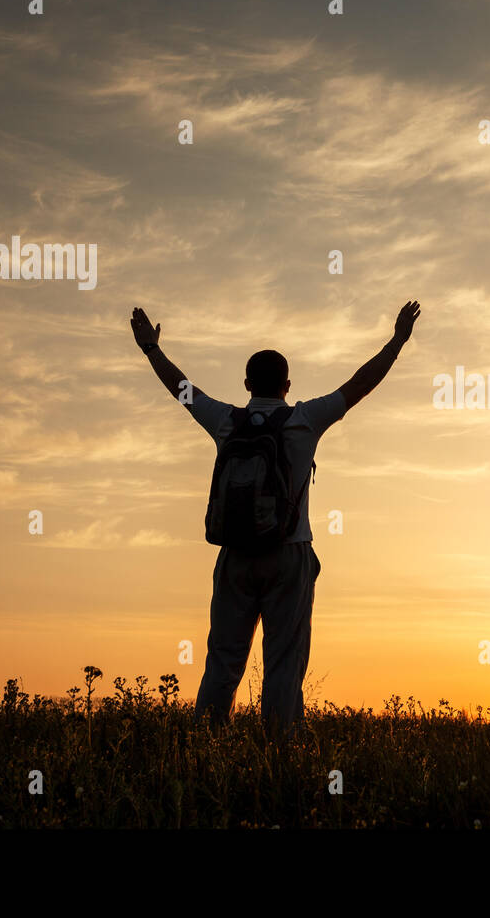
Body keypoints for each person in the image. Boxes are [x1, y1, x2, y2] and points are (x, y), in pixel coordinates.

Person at [129, 301, 422, 734]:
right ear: (288, 385)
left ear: (246, 384)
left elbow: (182, 389)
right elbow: (359, 384)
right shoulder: (304, 420)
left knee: (223, 659)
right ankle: (279, 758)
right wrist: (396, 341)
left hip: (234, 556)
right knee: (283, 663)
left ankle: (203, 750)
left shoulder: (226, 420)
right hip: (289, 554)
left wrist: (151, 349)